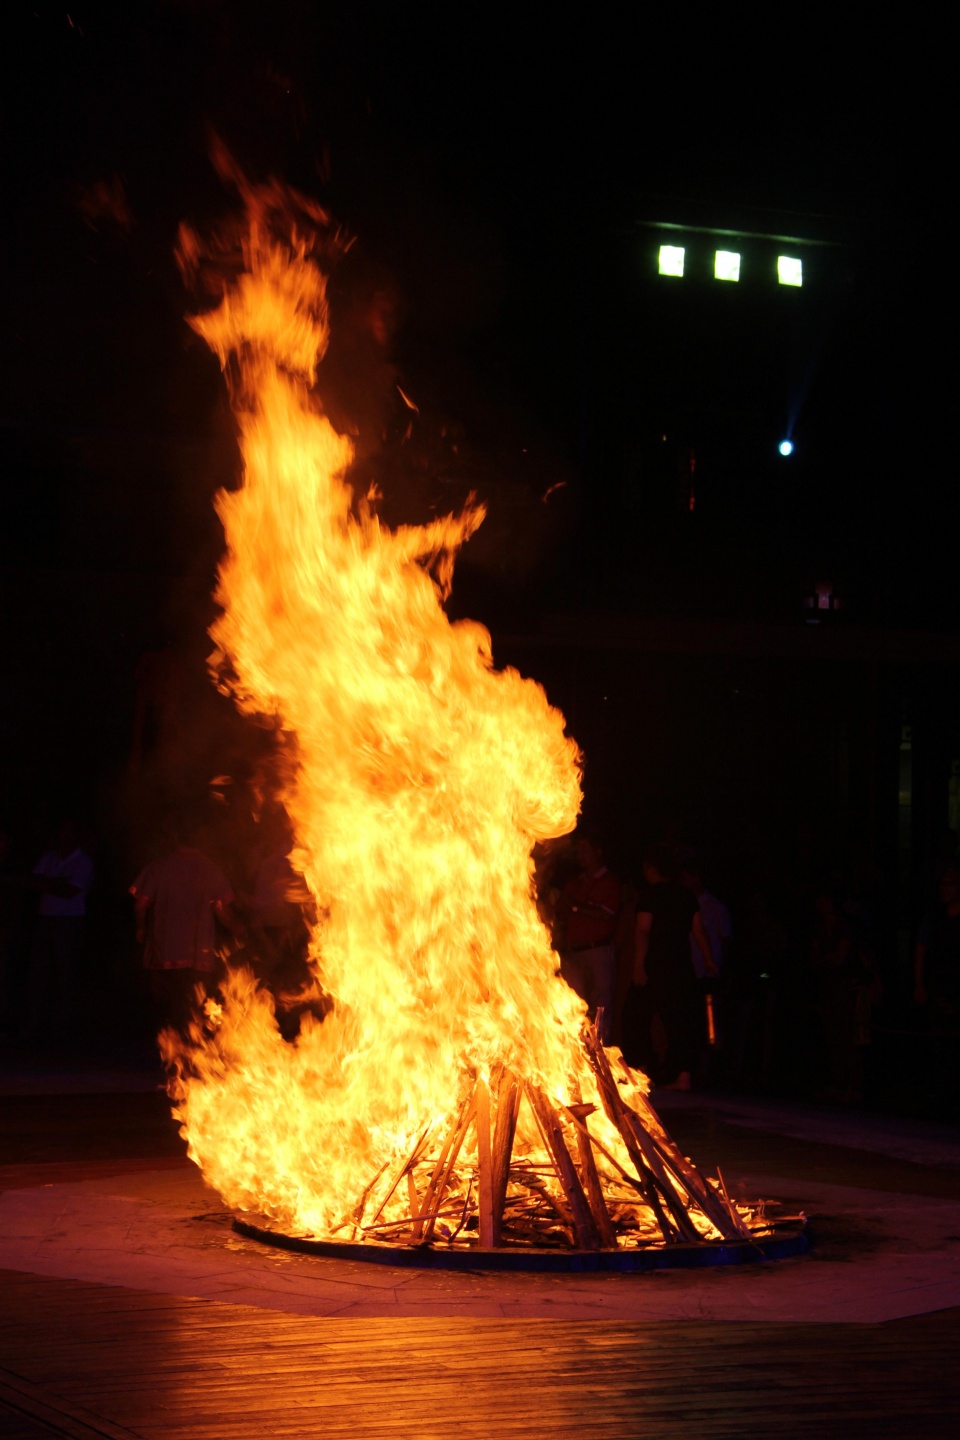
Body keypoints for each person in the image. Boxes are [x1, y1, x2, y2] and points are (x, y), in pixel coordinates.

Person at [622, 844, 715, 1090]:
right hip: (681, 967)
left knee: (636, 1016)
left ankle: (642, 1068)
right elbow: (698, 929)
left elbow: (643, 929)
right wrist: (708, 958)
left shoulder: (650, 894)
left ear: (652, 870)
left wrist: (638, 964)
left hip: (655, 967)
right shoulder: (685, 895)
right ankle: (682, 1075)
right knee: (681, 1022)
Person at [130, 824, 240, 1031]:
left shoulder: (159, 867)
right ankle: (190, 1047)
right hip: (198, 953)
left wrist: (141, 928)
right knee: (194, 1004)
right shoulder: (210, 869)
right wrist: (238, 929)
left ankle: (167, 1047)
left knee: (167, 1004)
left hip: (163, 951)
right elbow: (222, 910)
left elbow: (140, 904)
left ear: (176, 839)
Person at [26, 819, 94, 1035]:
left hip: (69, 921)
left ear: (76, 836)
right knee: (39, 972)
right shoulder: (50, 857)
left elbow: (70, 891)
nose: (62, 837)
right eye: (60, 832)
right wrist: (56, 883)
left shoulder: (83, 862)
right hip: (45, 919)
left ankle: (61, 1027)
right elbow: (32, 882)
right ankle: (35, 1025)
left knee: (64, 974)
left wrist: (49, 884)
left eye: (68, 832)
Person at [557, 831, 622, 1043]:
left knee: (600, 1006)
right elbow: (562, 910)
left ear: (598, 852)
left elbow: (606, 915)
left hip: (598, 952)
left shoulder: (609, 882)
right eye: (578, 852)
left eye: (584, 851)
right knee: (575, 1006)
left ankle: (601, 1051)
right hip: (574, 954)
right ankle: (579, 1055)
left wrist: (577, 908)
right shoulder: (574, 883)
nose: (580, 856)